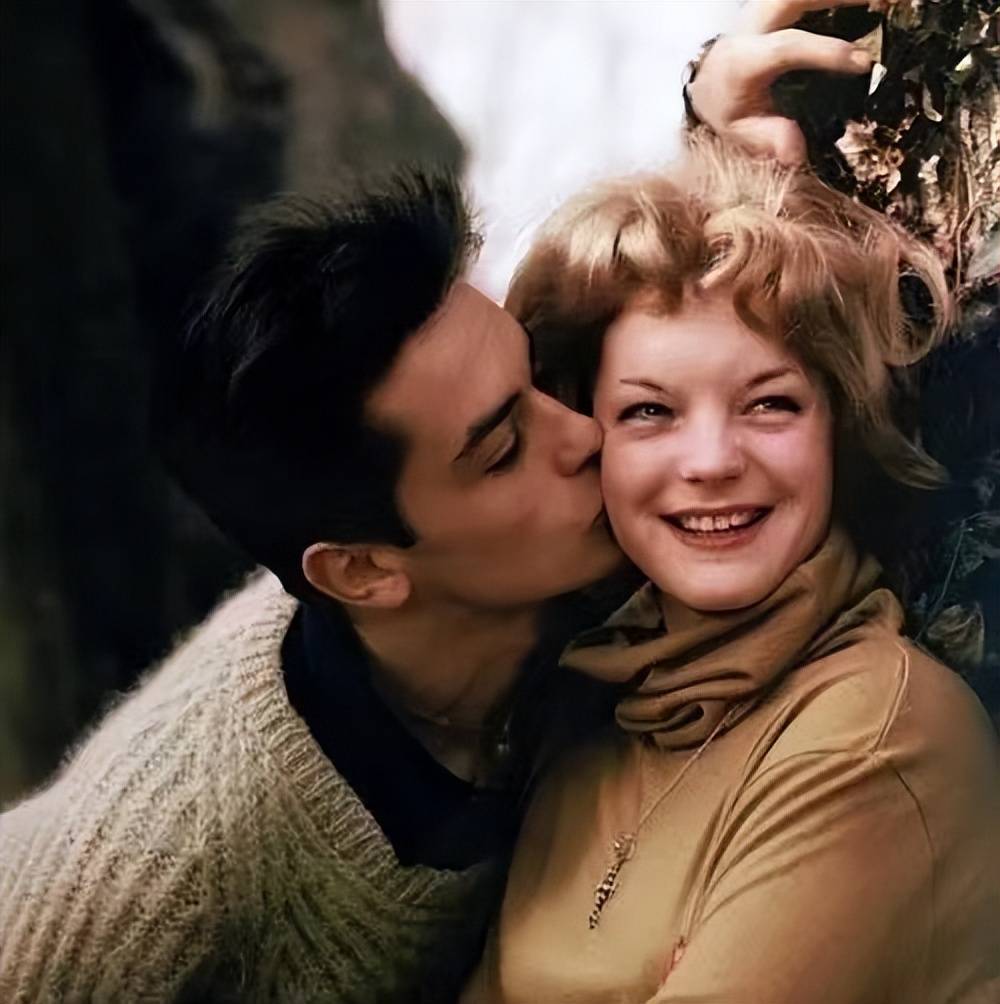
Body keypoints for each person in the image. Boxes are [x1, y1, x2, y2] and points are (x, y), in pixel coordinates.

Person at [0, 3, 877, 1001]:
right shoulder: (167, 854)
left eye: (538, 377)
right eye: (505, 449)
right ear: (364, 570)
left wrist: (713, 135)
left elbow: (669, 326)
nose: (583, 432)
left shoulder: (547, 543)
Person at [464, 137, 1000, 1003]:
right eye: (649, 412)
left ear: (838, 429)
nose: (711, 461)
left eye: (770, 404)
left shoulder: (879, 737)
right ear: (588, 438)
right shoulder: (592, 715)